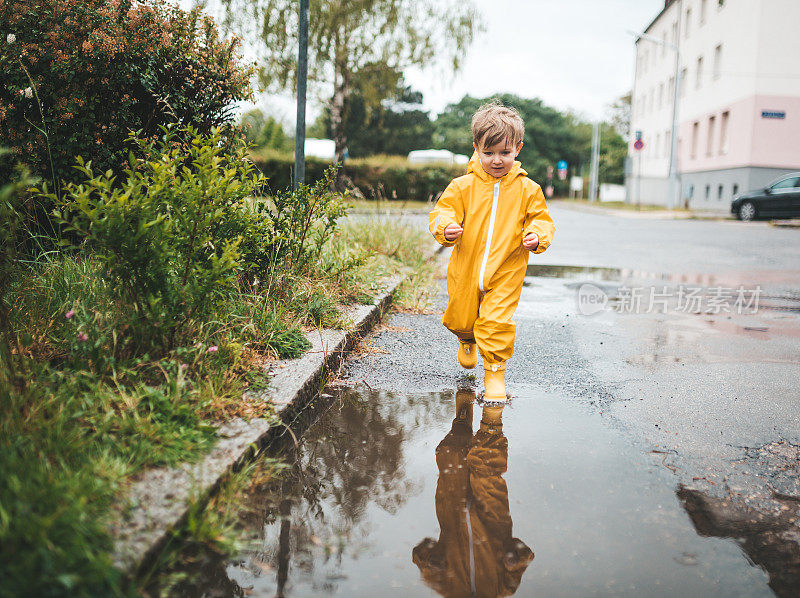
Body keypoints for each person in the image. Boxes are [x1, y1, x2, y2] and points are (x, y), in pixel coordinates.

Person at [428, 102, 555, 402]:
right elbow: (442, 211)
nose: (497, 160)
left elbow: (541, 219)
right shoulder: (463, 186)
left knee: (497, 321)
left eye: (505, 152)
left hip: (506, 270)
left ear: (517, 149)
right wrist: (445, 228)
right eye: (489, 153)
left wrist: (537, 235)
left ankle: (495, 374)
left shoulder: (528, 189)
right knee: (462, 316)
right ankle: (466, 339)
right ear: (476, 148)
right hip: (467, 269)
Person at [412, 390, 534, 597]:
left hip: (453, 516)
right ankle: (491, 418)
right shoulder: (502, 590)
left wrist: (430, 563)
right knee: (487, 470)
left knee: (449, 453)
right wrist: (514, 559)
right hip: (492, 522)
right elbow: (526, 557)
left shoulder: (448, 590)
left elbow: (419, 554)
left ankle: (462, 421)